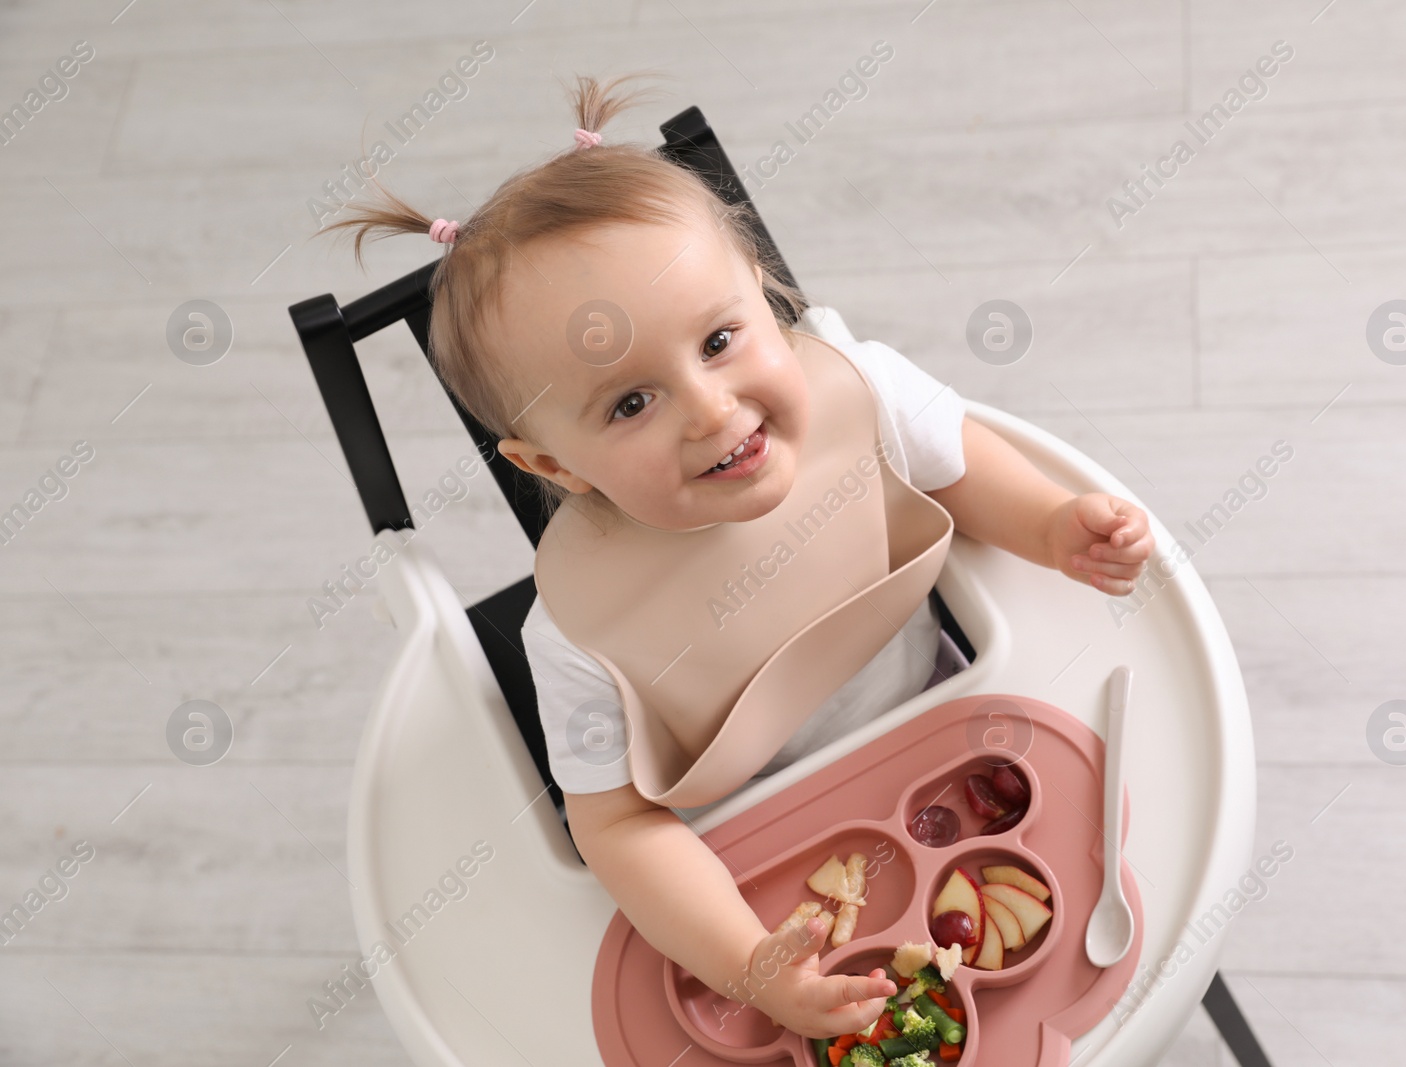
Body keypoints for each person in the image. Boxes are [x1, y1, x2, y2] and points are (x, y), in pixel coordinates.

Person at [320, 71, 1154, 1042]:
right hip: (757, 851)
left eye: (719, 338)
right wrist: (748, 963)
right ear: (549, 464)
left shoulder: (861, 394)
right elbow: (620, 829)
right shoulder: (580, 635)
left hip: (948, 722)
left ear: (764, 295)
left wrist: (1054, 525)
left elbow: (960, 463)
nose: (711, 410)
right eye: (631, 403)